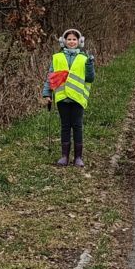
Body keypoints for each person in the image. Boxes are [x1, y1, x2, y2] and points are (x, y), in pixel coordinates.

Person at [42, 28, 95, 167]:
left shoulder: (84, 59)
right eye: (69, 39)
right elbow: (50, 77)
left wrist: (90, 65)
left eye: (74, 39)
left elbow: (90, 78)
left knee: (77, 126)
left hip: (77, 98)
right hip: (62, 98)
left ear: (80, 42)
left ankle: (78, 157)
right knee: (65, 126)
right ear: (63, 41)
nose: (71, 42)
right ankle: (64, 156)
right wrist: (47, 93)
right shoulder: (57, 58)